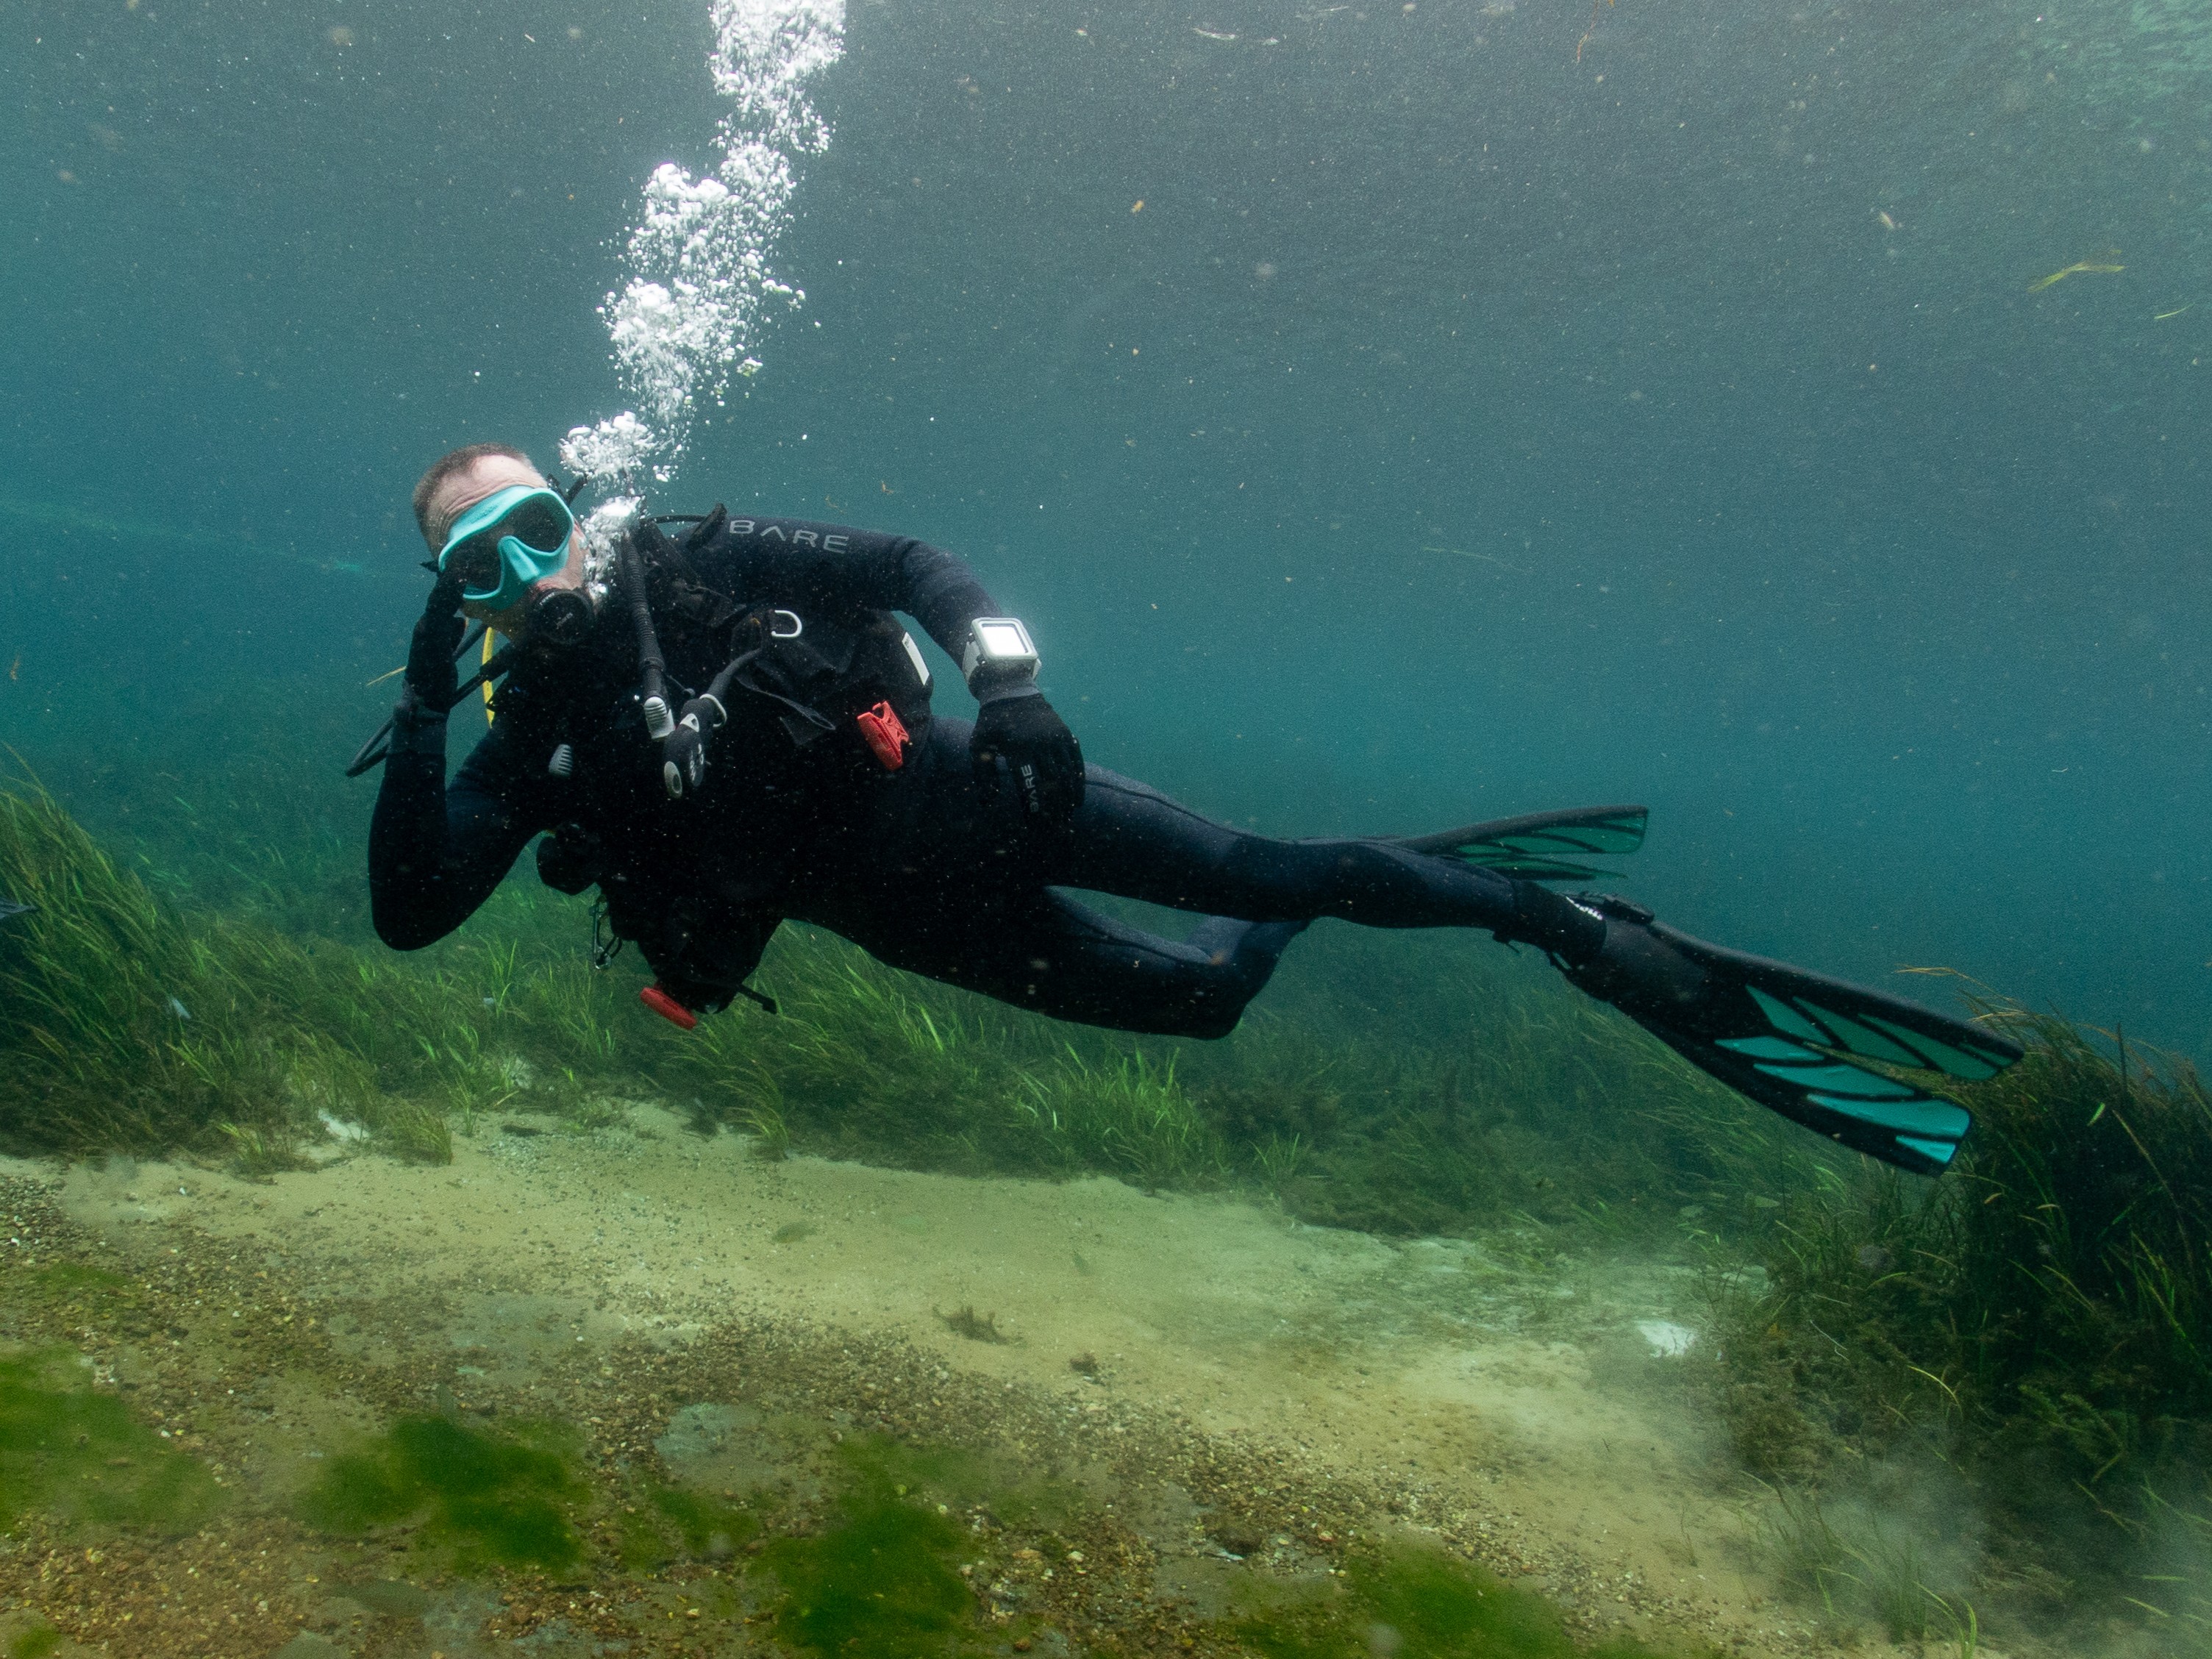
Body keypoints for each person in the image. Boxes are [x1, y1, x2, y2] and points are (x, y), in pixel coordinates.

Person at [363, 442, 2020, 1176]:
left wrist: (1009, 690)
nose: (527, 573)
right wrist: (427, 710)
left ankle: (1575, 933)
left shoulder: (703, 564)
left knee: (1254, 865)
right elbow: (412, 910)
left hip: (993, 801)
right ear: (459, 598)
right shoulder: (531, 733)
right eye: (477, 567)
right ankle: (1366, 887)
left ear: (583, 510)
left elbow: (915, 566)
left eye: (538, 526)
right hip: (911, 921)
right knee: (1215, 996)